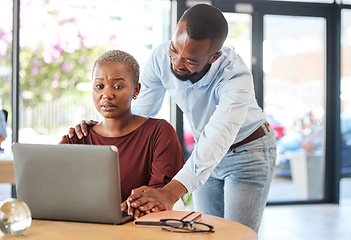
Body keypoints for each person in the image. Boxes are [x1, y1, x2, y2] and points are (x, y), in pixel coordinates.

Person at [69, 4, 276, 232]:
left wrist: (171, 192)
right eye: (174, 50)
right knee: (207, 233)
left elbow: (218, 135)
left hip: (248, 151)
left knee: (236, 234)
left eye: (190, 60)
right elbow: (139, 114)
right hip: (203, 152)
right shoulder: (160, 58)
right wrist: (99, 128)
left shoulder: (235, 78)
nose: (176, 63)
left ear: (214, 56)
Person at [61, 50, 184, 209]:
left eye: (118, 86)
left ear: (136, 90)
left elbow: (157, 197)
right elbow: (54, 187)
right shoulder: (78, 138)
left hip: (141, 229)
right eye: (99, 86)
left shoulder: (159, 132)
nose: (107, 94)